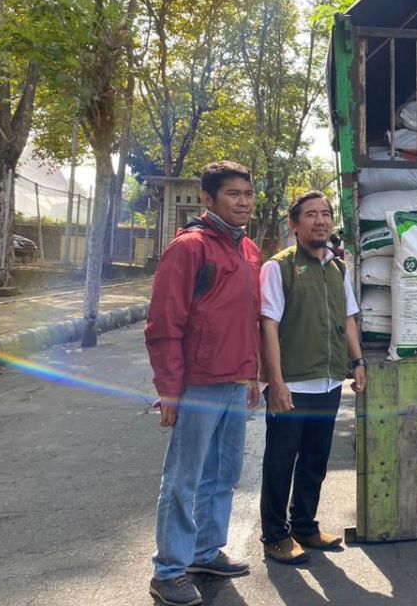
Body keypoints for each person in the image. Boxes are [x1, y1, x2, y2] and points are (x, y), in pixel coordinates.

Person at [144, 161, 262, 606]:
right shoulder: (190, 248)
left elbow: (248, 320)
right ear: (208, 199)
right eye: (233, 194)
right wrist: (170, 389)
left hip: (234, 381)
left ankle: (205, 551)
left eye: (248, 194)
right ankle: (169, 570)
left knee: (224, 473)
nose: (244, 201)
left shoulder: (248, 249)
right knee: (183, 478)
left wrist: (250, 373)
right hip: (197, 385)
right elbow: (163, 324)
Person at [259, 191, 367, 565]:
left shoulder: (338, 268)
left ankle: (304, 525)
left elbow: (349, 318)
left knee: (315, 459)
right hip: (292, 383)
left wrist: (357, 362)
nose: (320, 220)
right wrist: (275, 381)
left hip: (328, 382)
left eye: (325, 214)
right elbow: (268, 325)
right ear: (294, 225)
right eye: (310, 215)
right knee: (280, 461)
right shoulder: (279, 267)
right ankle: (274, 536)